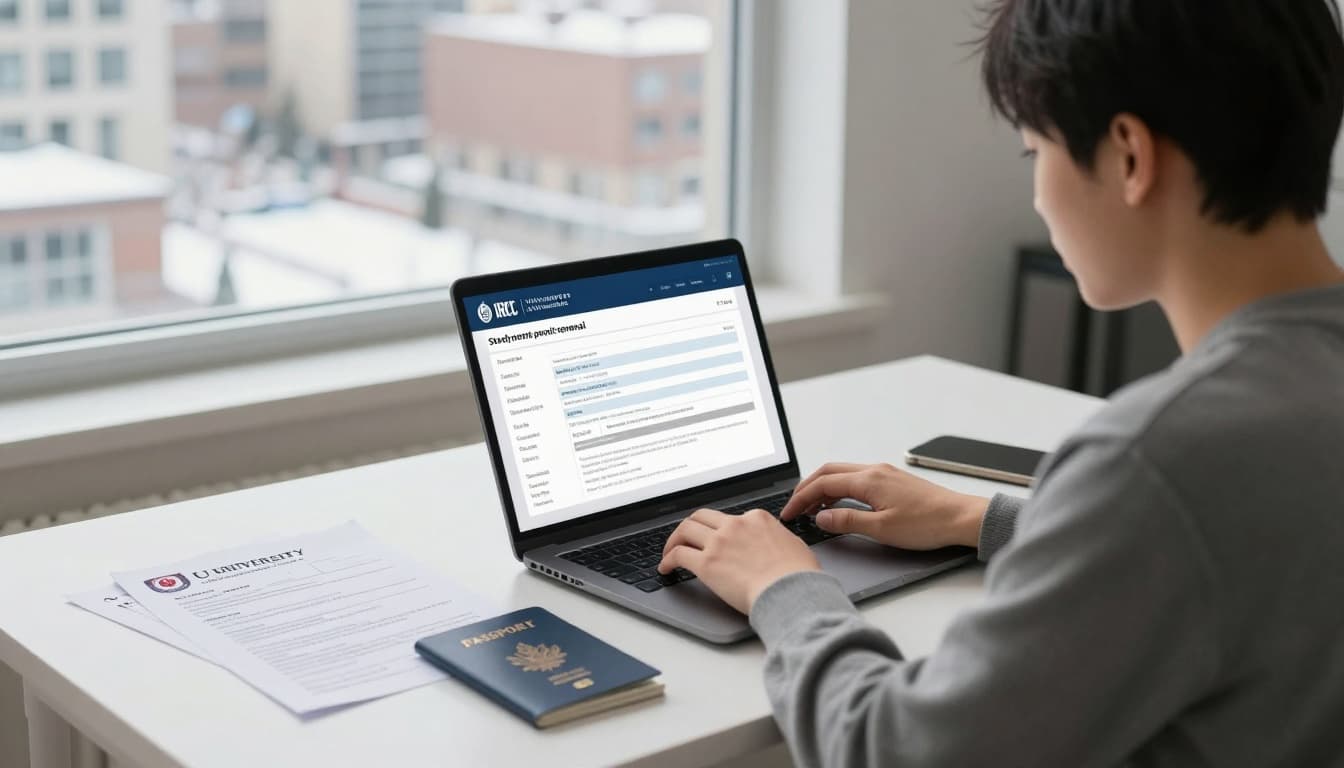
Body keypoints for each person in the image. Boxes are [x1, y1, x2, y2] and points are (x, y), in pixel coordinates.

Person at [656, 0, 1344, 765]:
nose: (1040, 195)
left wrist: (782, 586)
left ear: (1128, 156)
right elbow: (1243, 541)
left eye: (1034, 152)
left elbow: (896, 750)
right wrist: (986, 517)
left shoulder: (1153, 458)